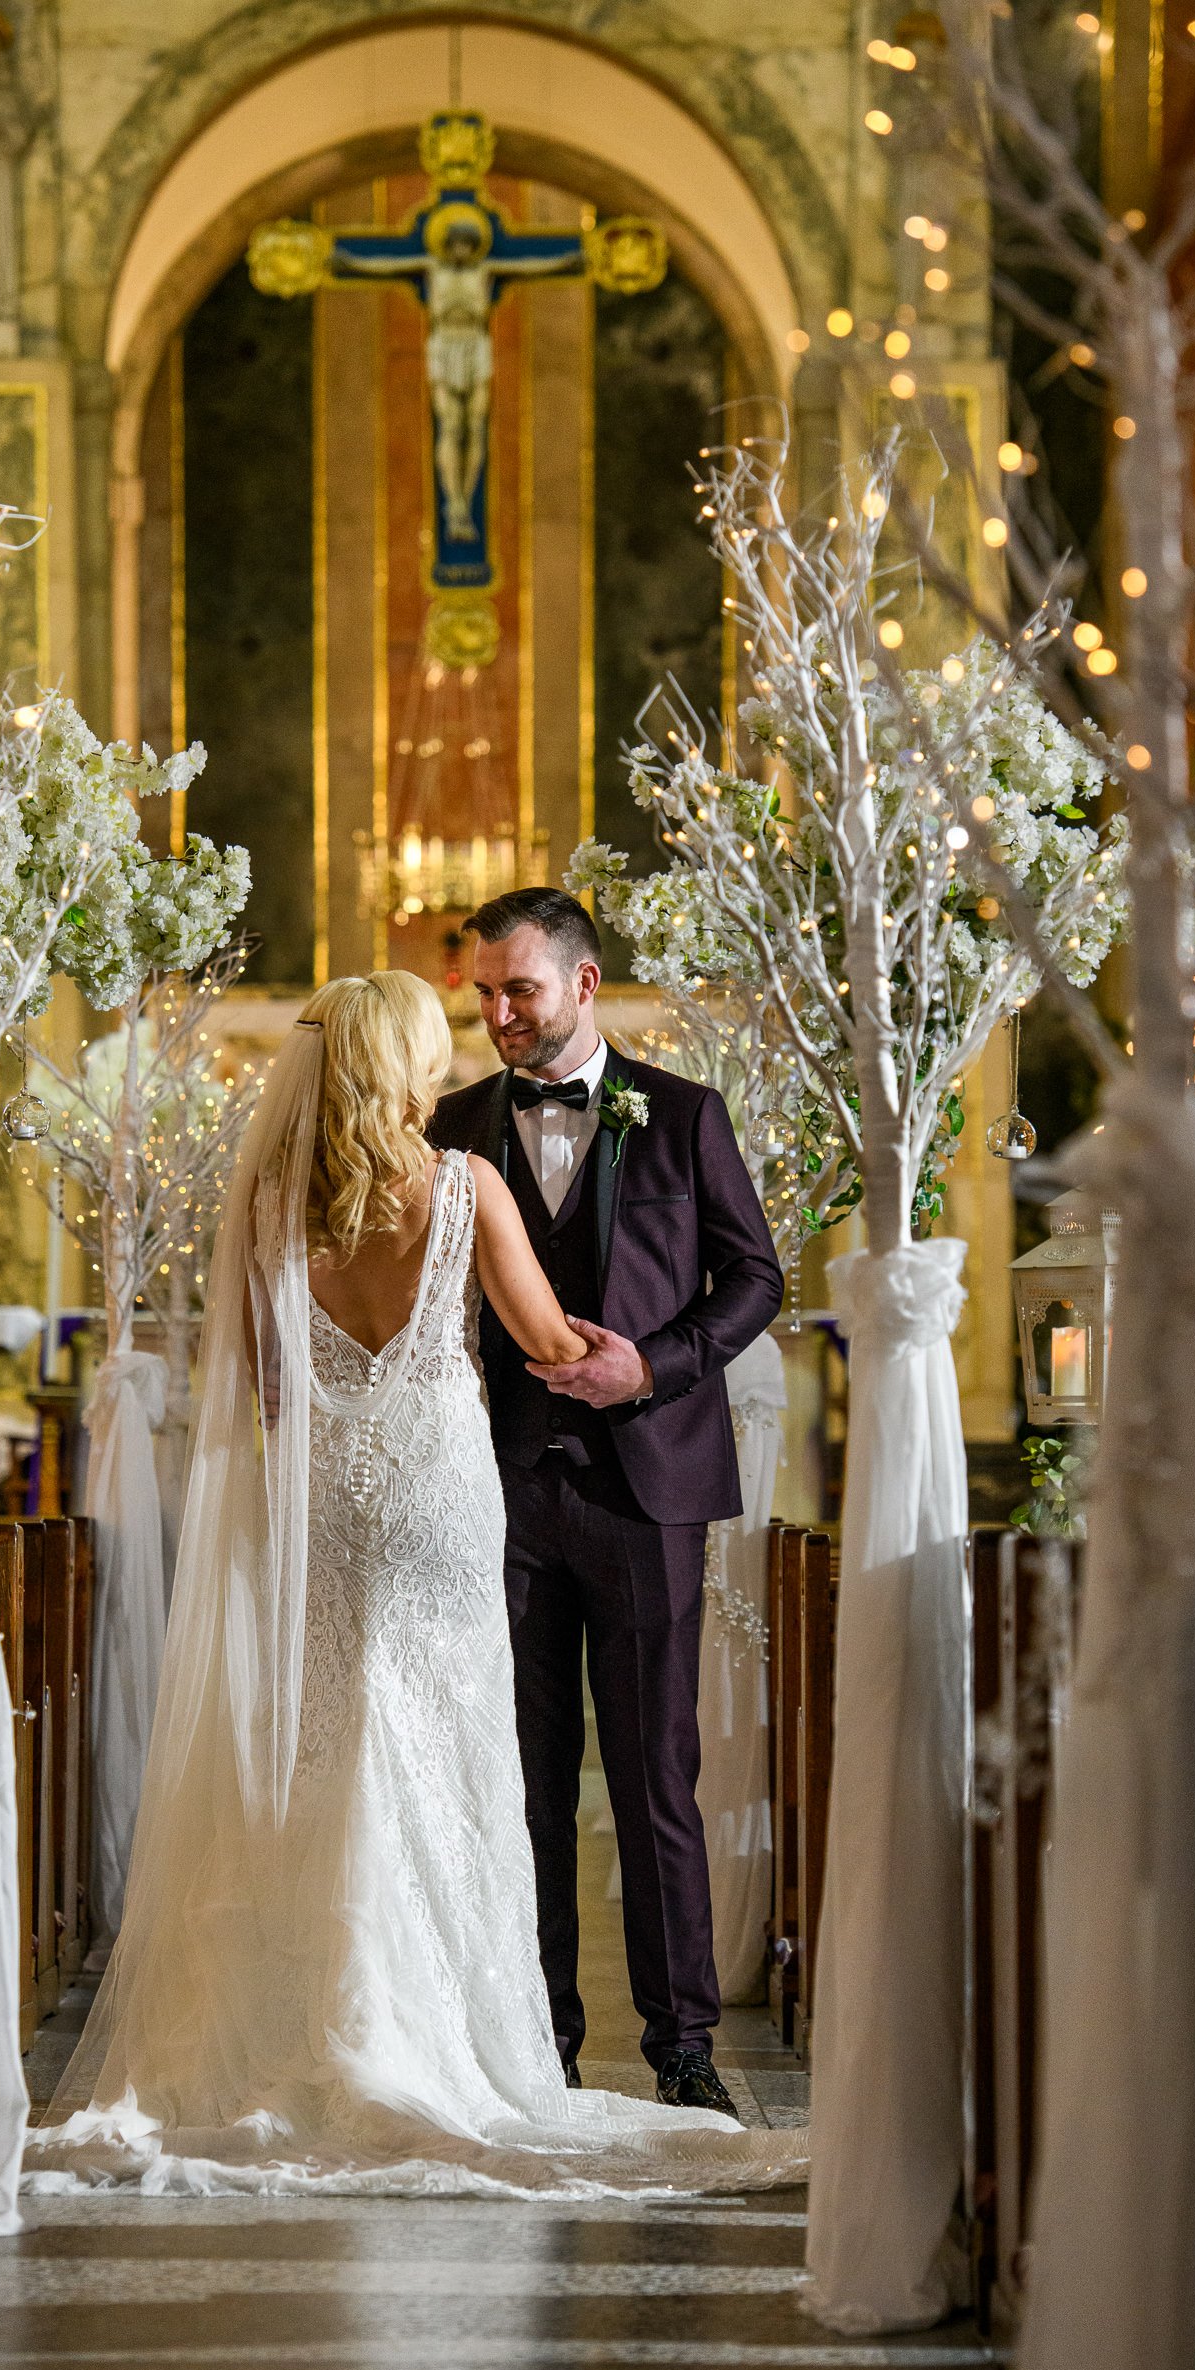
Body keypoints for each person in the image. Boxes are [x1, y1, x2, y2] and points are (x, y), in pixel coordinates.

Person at [26, 972, 802, 2198]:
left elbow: (265, 1388)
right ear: (399, 1062)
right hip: (440, 1497)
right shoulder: (462, 1187)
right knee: (442, 1748)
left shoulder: (271, 1206)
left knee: (333, 1741)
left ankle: (320, 2021)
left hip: (325, 1499)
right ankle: (441, 2032)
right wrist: (632, 1358)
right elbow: (547, 1345)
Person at [430, 892, 784, 2115]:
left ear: (583, 985)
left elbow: (753, 1276)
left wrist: (654, 1365)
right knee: (520, 1776)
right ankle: (542, 2043)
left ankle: (681, 2048)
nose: (495, 1013)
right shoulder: (450, 1125)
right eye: (482, 992)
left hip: (649, 1490)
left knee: (653, 1778)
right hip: (503, 1491)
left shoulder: (681, 1114)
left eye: (515, 989)